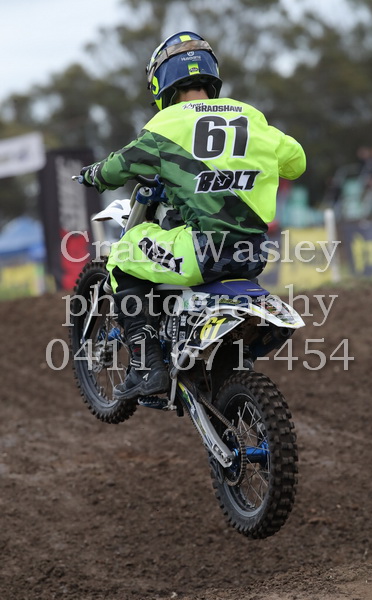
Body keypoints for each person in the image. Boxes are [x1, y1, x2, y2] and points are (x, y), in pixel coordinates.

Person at [80, 31, 306, 401]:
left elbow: (118, 167)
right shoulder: (251, 117)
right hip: (252, 254)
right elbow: (296, 163)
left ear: (161, 83)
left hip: (202, 252)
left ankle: (147, 366)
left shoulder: (165, 125)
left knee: (123, 253)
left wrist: (93, 174)